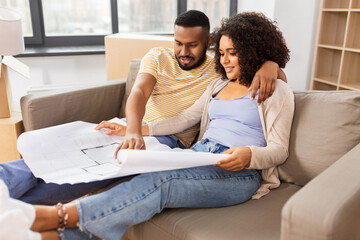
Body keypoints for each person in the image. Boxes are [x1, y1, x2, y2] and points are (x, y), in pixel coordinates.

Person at [30, 12, 294, 240]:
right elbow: (185, 118)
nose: (224, 60)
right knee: (137, 170)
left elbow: (280, 149)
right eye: (222, 53)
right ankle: (64, 236)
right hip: (199, 155)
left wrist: (250, 155)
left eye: (233, 54)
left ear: (251, 52)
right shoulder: (218, 84)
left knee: (162, 182)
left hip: (240, 172)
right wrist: (136, 129)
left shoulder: (275, 90)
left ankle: (59, 216)